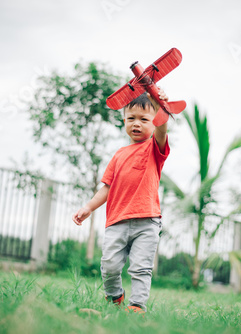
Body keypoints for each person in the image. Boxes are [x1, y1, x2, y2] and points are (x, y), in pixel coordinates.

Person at [72, 89, 170, 314]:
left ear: (154, 122)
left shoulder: (155, 148)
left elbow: (164, 127)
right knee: (109, 265)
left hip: (147, 221)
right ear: (124, 120)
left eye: (144, 119)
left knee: (141, 267)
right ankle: (115, 296)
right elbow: (106, 187)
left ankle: (137, 305)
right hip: (117, 221)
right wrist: (88, 207)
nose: (137, 124)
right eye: (131, 118)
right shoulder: (118, 155)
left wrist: (160, 104)